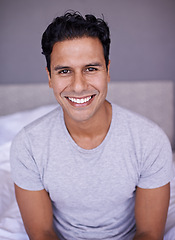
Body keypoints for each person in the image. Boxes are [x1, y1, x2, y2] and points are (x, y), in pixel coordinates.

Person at [10, 11, 173, 240]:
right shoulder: (27, 145)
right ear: (49, 77)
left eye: (91, 68)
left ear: (107, 70)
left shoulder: (149, 140)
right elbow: (42, 233)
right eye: (64, 71)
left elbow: (149, 233)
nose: (78, 86)